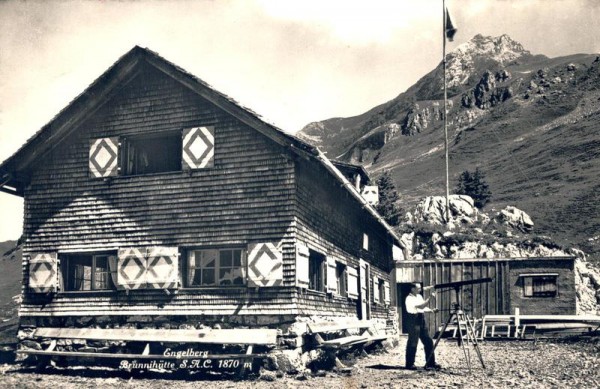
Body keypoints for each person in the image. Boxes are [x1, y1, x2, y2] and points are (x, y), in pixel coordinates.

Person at [404, 282, 442, 370]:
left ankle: (430, 363)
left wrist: (431, 310)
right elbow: (420, 307)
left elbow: (423, 308)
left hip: (421, 320)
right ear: (412, 289)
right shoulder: (409, 299)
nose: (420, 289)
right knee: (413, 342)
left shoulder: (419, 297)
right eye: (418, 288)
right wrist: (430, 298)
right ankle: (409, 364)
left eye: (420, 288)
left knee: (428, 341)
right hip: (413, 320)